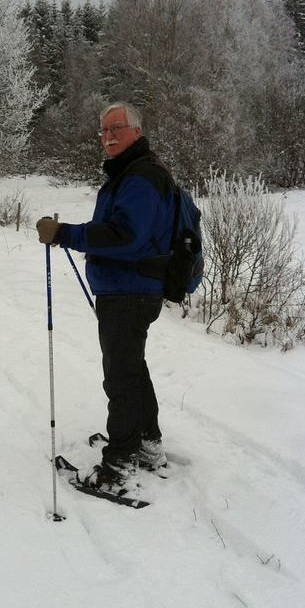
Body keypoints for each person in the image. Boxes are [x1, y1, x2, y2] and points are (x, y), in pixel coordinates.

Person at [37, 101, 175, 493]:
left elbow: (124, 235)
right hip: (128, 288)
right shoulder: (131, 173)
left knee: (121, 376)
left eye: (116, 128)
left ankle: (120, 464)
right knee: (132, 369)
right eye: (102, 131)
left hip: (130, 290)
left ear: (136, 130)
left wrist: (66, 233)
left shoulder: (140, 177)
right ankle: (147, 445)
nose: (108, 136)